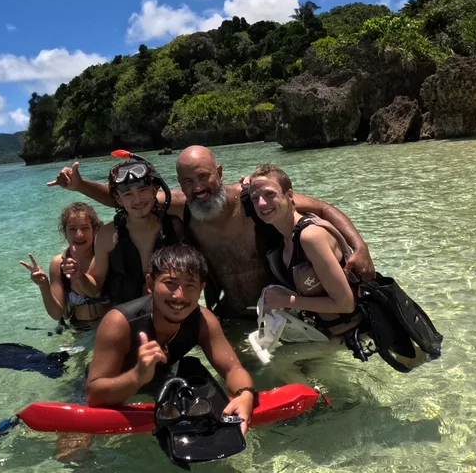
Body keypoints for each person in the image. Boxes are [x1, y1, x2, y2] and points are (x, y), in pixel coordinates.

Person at [51, 145, 373, 315]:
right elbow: (132, 200)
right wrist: (80, 185)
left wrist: (359, 248)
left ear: (219, 172)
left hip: (280, 310)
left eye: (204, 177)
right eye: (188, 182)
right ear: (179, 186)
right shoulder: (181, 205)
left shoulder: (251, 199)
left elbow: (322, 207)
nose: (198, 188)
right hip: (229, 312)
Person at [86, 244, 257, 432]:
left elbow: (232, 368)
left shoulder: (203, 321)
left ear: (201, 289)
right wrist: (137, 376)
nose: (179, 295)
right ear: (150, 284)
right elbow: (94, 395)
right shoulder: (120, 322)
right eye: (170, 283)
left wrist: (246, 395)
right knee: (74, 448)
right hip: (105, 388)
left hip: (158, 382)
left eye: (190, 285)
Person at [246, 163, 363, 338]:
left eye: (270, 194)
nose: (262, 203)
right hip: (324, 336)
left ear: (290, 195)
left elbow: (345, 303)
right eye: (255, 198)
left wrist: (286, 301)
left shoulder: (310, 236)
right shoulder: (284, 237)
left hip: (353, 336)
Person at [79, 158, 185, 306]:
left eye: (143, 190)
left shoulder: (175, 227)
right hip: (126, 318)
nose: (137, 200)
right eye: (128, 194)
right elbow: (95, 288)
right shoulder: (107, 235)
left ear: (154, 189)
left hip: (171, 310)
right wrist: (78, 276)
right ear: (118, 198)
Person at [19, 201, 110, 331]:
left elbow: (94, 291)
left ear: (95, 230)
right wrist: (44, 287)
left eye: (85, 228)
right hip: (79, 328)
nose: (79, 235)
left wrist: (79, 276)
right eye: (72, 229)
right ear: (64, 232)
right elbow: (57, 314)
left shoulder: (104, 255)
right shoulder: (58, 264)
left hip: (110, 324)